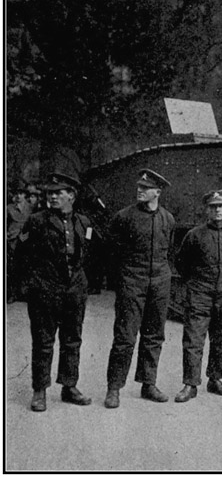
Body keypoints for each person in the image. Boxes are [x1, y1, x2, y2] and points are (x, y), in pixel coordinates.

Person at [16, 173, 96, 411]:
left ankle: (69, 386)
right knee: (43, 342)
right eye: (50, 193)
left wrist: (83, 282)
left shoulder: (84, 222)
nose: (52, 197)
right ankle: (39, 390)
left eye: (58, 193)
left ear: (71, 195)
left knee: (72, 340)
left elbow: (91, 252)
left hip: (74, 290)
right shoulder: (36, 221)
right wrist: (31, 285)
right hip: (45, 290)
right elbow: (21, 255)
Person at [104, 169, 175, 409]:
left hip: (160, 282)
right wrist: (122, 278)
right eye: (139, 187)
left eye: (146, 188)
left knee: (154, 335)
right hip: (132, 281)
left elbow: (169, 250)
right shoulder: (124, 217)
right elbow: (111, 251)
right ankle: (114, 388)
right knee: (125, 337)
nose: (140, 190)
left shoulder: (168, 219)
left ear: (158, 192)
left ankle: (148, 383)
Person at [173, 190, 222, 403]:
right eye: (213, 207)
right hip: (200, 294)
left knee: (220, 340)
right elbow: (181, 262)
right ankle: (190, 384)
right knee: (194, 340)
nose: (217, 210)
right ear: (207, 210)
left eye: (221, 206)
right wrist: (195, 284)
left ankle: (215, 379)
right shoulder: (194, 235)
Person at [7, 181, 29, 303]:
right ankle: (12, 293)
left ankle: (24, 292)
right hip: (13, 240)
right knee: (12, 267)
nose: (19, 196)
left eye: (21, 193)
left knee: (26, 266)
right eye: (17, 193)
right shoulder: (9, 208)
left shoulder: (30, 207)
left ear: (25, 195)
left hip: (27, 239)